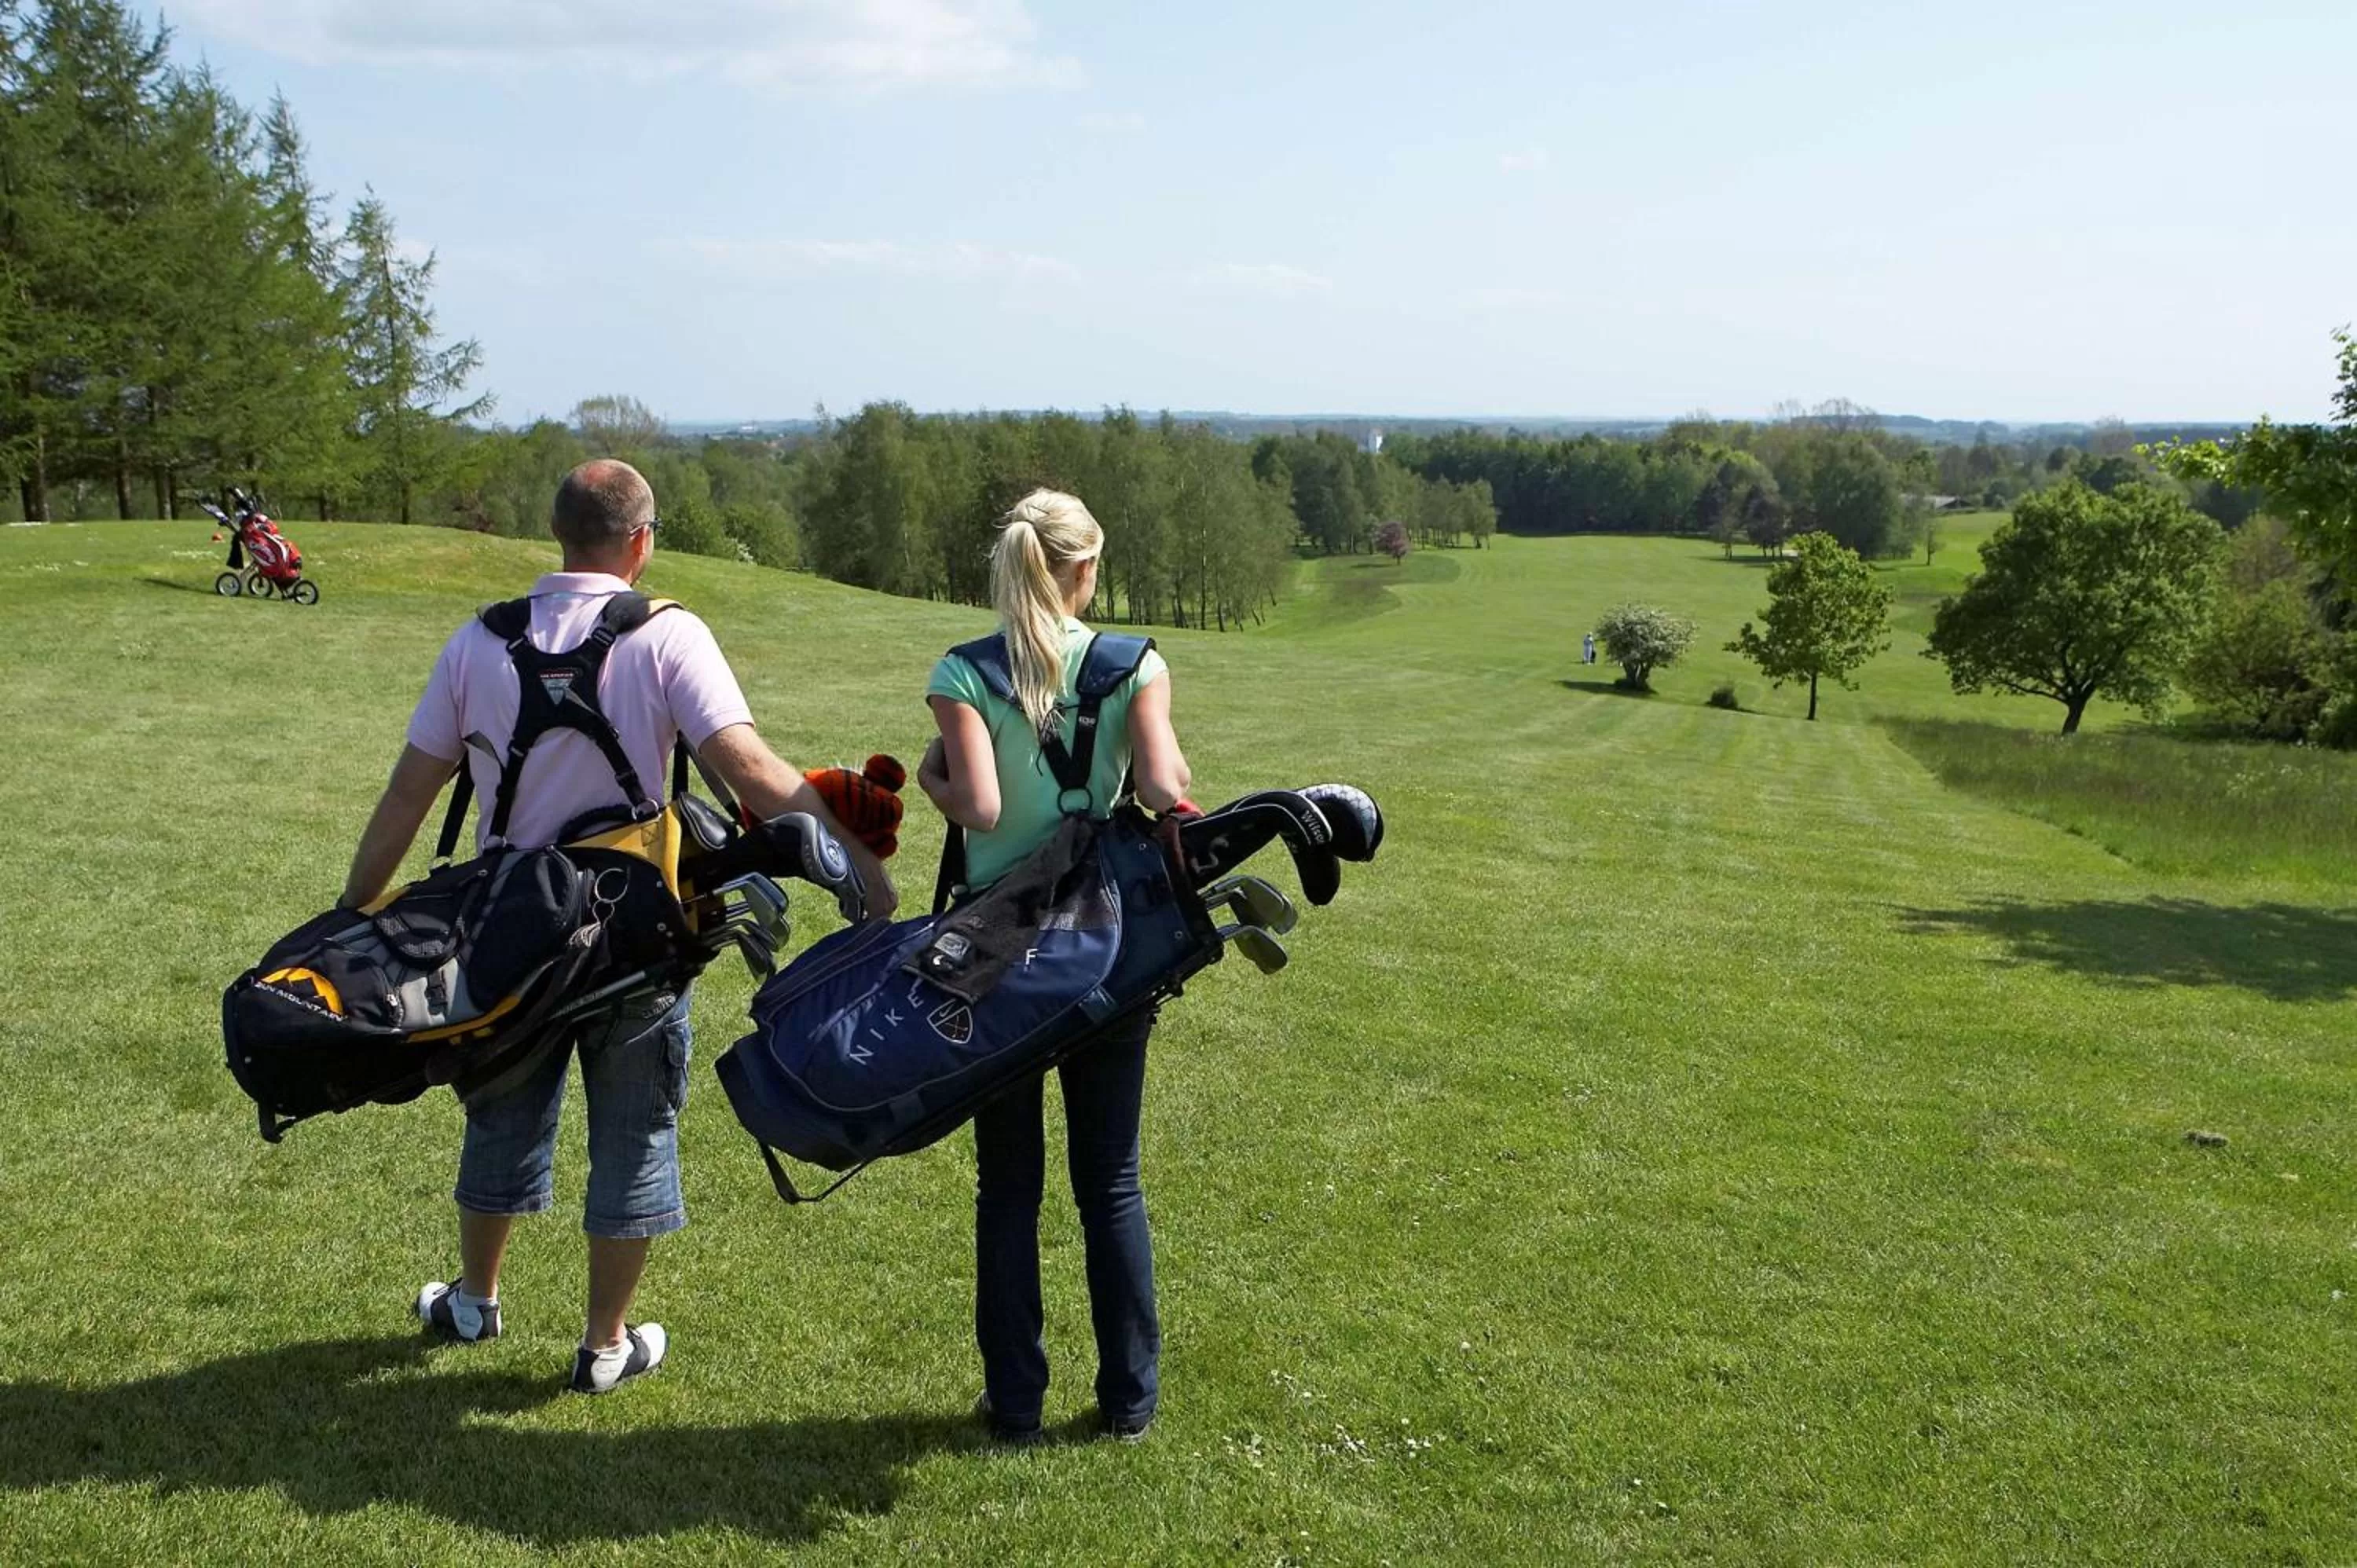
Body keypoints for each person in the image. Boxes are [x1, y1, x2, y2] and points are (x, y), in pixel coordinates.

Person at [338, 459, 896, 1394]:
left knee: (500, 1112)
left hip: (509, 931)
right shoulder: (668, 635)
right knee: (637, 1131)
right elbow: (750, 768)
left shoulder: (477, 641)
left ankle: (476, 1300)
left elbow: (410, 788)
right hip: (640, 932)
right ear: (641, 540)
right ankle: (605, 1344)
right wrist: (863, 870)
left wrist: (355, 908)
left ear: (558, 534)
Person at [918, 489, 1192, 1445]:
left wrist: (931, 779)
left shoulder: (964, 671)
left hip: (999, 956)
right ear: (1082, 572)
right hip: (1106, 946)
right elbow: (1160, 787)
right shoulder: (1133, 665)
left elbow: (982, 811)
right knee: (1110, 1177)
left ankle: (1017, 1402)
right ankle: (1128, 1401)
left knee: (1008, 1185)